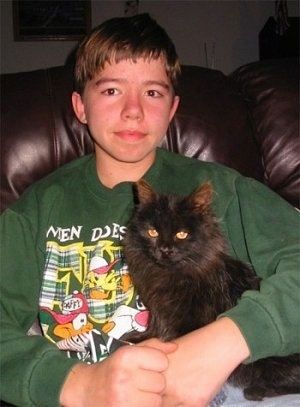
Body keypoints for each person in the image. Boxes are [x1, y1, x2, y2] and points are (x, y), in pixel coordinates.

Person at [0, 13, 299, 407]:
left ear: (173, 108)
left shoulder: (224, 190)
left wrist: (227, 340)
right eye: (110, 91)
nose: (133, 111)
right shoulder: (36, 210)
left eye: (153, 93)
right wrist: (77, 385)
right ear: (80, 106)